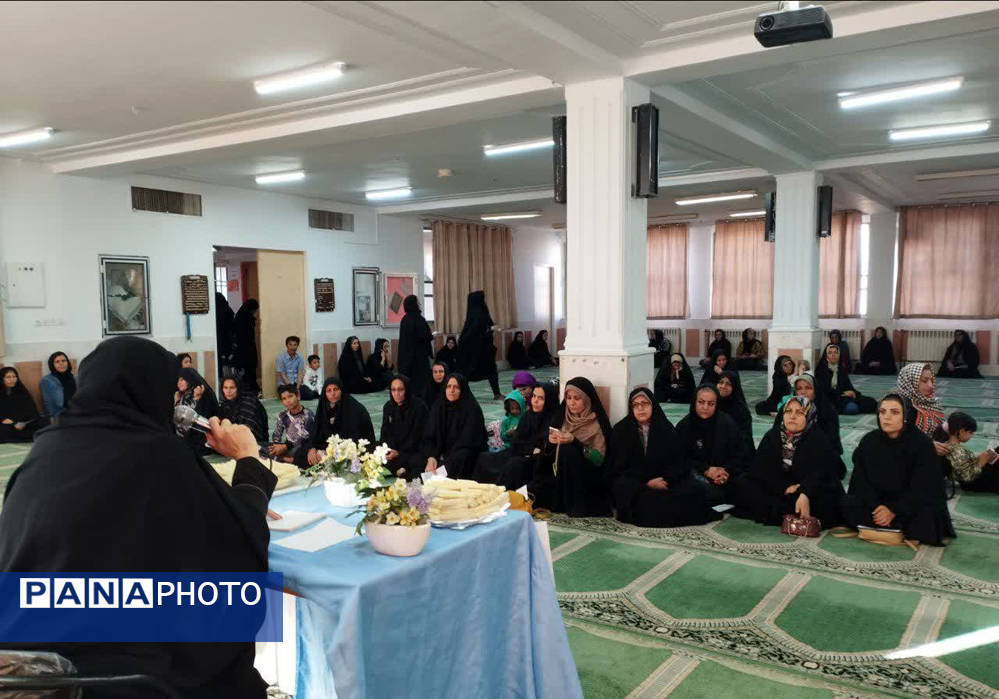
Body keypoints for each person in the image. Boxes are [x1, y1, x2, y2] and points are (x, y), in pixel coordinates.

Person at [0, 336, 278, 697]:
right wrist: (248, 459)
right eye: (172, 395)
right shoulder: (158, 456)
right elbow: (236, 541)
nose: (175, 405)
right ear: (148, 391)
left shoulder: (44, 452)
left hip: (33, 676)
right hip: (125, 683)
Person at [843, 394, 955, 546]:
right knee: (845, 504)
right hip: (877, 503)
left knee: (927, 517)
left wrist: (893, 510)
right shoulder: (869, 441)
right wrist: (877, 507)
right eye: (882, 412)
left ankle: (886, 524)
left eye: (894, 412)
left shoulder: (921, 444)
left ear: (906, 416)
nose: (886, 417)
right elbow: (860, 481)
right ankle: (887, 523)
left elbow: (923, 487)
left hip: (909, 504)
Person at [609, 387, 721, 527]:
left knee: (695, 491)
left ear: (653, 405)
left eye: (645, 403)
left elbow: (677, 462)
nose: (640, 408)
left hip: (663, 481)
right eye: (635, 405)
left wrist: (666, 480)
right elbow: (619, 468)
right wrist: (646, 484)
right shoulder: (621, 430)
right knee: (633, 494)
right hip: (636, 484)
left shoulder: (665, 428)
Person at [733, 396, 844, 528]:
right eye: (788, 411)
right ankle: (787, 511)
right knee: (743, 485)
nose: (792, 416)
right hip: (779, 488)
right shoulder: (773, 435)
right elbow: (761, 469)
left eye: (799, 412)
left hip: (808, 489)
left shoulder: (819, 439)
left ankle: (781, 511)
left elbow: (821, 473)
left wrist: (804, 491)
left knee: (827, 499)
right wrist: (784, 487)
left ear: (809, 416)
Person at [537, 377, 612, 517]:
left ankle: (574, 505)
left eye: (577, 398)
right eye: (568, 398)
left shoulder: (597, 424)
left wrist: (575, 442)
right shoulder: (561, 418)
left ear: (587, 400)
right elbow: (547, 455)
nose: (571, 402)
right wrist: (550, 443)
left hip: (586, 475)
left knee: (568, 450)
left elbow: (599, 460)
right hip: (560, 473)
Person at [675, 384, 751, 506]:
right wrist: (706, 470)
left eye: (711, 404)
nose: (705, 407)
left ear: (716, 405)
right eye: (701, 402)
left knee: (748, 488)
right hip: (697, 474)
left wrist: (725, 472)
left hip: (725, 474)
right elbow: (680, 459)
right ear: (694, 403)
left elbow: (740, 453)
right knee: (691, 489)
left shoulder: (727, 424)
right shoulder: (684, 427)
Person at [477, 383, 558, 490]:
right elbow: (517, 440)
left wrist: (529, 450)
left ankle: (502, 494)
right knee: (484, 458)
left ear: (549, 400)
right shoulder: (528, 415)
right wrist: (524, 448)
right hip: (518, 451)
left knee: (514, 464)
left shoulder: (553, 420)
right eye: (534, 396)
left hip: (535, 461)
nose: (535, 401)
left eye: (541, 398)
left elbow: (543, 448)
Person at [422, 373, 487, 479]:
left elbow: (469, 440)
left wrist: (449, 457)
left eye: (456, 387)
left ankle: (440, 479)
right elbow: (430, 436)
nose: (451, 390)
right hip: (443, 452)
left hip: (463, 450)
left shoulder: (471, 408)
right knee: (420, 457)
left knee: (461, 458)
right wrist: (431, 456)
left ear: (462, 390)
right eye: (449, 386)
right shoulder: (438, 407)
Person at [307, 377, 376, 466]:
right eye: (329, 390)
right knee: (305, 455)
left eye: (335, 389)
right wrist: (312, 448)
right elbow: (317, 432)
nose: (332, 393)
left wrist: (332, 452)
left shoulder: (353, 408)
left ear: (341, 390)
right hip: (332, 447)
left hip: (353, 449)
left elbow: (355, 438)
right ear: (325, 394)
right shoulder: (324, 407)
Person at [793, 373, 845, 479]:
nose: (803, 392)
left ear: (815, 390)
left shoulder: (827, 410)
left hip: (821, 453)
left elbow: (831, 441)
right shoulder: (789, 410)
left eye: (808, 388)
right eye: (799, 389)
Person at [380, 375, 430, 480]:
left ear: (407, 390)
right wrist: (388, 450)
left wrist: (399, 453)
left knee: (417, 463)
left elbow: (419, 436)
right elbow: (385, 433)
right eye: (393, 390)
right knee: (379, 461)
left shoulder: (419, 407)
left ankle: (402, 471)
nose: (396, 393)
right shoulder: (388, 407)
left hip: (413, 451)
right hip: (394, 452)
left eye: (400, 389)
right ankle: (400, 470)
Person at [455, 290, 502, 399]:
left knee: (467, 371)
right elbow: (478, 330)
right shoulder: (479, 313)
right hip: (479, 349)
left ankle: (460, 393)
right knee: (489, 370)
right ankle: (497, 394)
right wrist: (491, 328)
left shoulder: (472, 313)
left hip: (471, 348)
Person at [940, 412, 999, 493]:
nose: (971, 436)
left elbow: (966, 463)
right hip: (972, 482)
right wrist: (981, 462)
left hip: (975, 474)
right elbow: (967, 477)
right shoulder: (956, 451)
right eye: (970, 432)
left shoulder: (951, 446)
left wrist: (979, 457)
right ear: (961, 431)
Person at [815, 343, 876, 415]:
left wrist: (853, 393)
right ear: (826, 356)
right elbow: (824, 392)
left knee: (871, 401)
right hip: (829, 400)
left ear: (839, 355)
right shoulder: (821, 371)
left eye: (835, 353)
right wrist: (843, 394)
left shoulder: (841, 369)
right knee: (852, 408)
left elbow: (848, 386)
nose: (833, 355)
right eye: (830, 353)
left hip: (844, 398)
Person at [269, 384, 316, 467]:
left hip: (301, 448)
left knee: (310, 454)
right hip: (287, 448)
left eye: (290, 396)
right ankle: (283, 459)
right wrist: (276, 446)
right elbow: (277, 434)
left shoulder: (308, 414)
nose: (287, 401)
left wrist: (285, 446)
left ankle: (285, 460)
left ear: (298, 396)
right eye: (284, 399)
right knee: (261, 448)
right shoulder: (283, 415)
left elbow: (304, 436)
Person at [396, 295, 434, 400]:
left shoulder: (404, 319)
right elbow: (425, 336)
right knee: (421, 384)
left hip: (407, 357)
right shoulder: (419, 319)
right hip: (419, 357)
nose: (419, 304)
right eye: (417, 302)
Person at [175, 368, 220, 454]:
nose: (178, 383)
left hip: (202, 446)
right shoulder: (184, 395)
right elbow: (178, 419)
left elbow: (197, 421)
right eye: (178, 380)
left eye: (182, 380)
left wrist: (197, 399)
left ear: (190, 380)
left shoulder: (205, 394)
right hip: (185, 442)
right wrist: (176, 402)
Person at [896, 362, 946, 439]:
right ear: (910, 382)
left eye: (931, 380)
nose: (930, 385)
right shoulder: (901, 408)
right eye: (924, 381)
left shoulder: (931, 403)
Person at [218, 376, 269, 443]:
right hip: (234, 440)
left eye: (232, 388)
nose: (228, 391)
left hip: (255, 443)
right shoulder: (225, 405)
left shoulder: (249, 402)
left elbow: (251, 430)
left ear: (238, 388)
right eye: (225, 388)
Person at [716, 371, 755, 456]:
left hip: (735, 451)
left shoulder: (741, 409)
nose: (723, 386)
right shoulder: (711, 404)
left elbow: (745, 438)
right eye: (721, 382)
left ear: (734, 387)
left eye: (728, 384)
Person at [0, 367, 42, 443]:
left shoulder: (22, 392)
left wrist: (21, 422)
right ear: (2, 379)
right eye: (8, 377)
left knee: (42, 423)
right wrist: (3, 419)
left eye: (14, 376)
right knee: (3, 430)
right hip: (7, 424)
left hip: (22, 423)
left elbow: (31, 411)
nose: (12, 379)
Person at [233, 298, 260, 394]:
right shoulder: (246, 318)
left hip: (243, 347)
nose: (255, 312)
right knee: (249, 368)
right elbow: (246, 335)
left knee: (248, 368)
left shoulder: (240, 316)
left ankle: (250, 387)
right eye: (254, 310)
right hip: (246, 348)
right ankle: (250, 388)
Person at [40, 350, 76, 419]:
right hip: (61, 414)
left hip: (78, 411)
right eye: (57, 362)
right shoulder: (47, 380)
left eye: (63, 361)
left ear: (68, 362)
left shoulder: (75, 377)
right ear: (52, 365)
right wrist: (53, 418)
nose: (61, 363)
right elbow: (48, 403)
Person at [215, 291, 236, 375]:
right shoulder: (227, 309)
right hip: (227, 339)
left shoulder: (217, 312)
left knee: (221, 362)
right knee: (227, 362)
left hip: (221, 340)